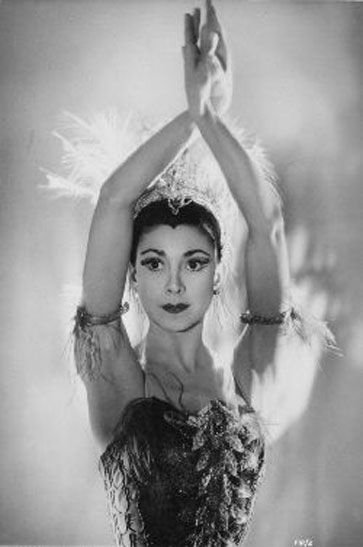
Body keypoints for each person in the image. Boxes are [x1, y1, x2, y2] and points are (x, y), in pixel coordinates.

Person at [64, 1, 330, 545]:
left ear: (217, 272)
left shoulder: (249, 376)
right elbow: (115, 199)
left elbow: (267, 224)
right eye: (154, 262)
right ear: (131, 276)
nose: (175, 284)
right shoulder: (115, 375)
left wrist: (212, 116)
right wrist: (194, 112)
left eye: (195, 262)